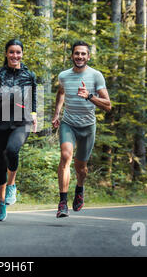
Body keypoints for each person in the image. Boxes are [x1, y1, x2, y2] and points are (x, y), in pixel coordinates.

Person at [52, 41, 111, 218]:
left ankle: (79, 188)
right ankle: (62, 203)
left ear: (88, 56)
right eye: (77, 53)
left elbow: (108, 105)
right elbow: (61, 92)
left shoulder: (96, 76)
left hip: (87, 127)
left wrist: (90, 96)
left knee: (81, 168)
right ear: (72, 55)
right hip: (68, 123)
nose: (80, 57)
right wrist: (57, 114)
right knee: (65, 156)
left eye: (83, 54)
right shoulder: (64, 75)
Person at [0, 39, 37, 221]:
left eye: (18, 52)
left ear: (22, 53)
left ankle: (12, 185)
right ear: (6, 54)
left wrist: (35, 113)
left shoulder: (29, 75)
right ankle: (1, 200)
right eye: (11, 52)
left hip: (22, 121)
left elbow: (34, 96)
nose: (15, 55)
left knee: (12, 150)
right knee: (0, 165)